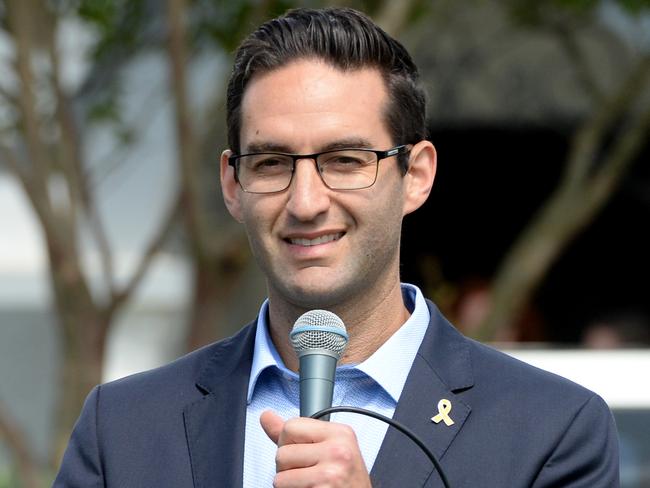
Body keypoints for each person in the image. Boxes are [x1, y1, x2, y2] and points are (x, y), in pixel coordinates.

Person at [54, 7, 620, 487]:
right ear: (232, 184)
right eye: (272, 162)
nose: (305, 201)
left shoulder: (551, 430)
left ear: (417, 176)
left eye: (345, 161)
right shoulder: (122, 431)